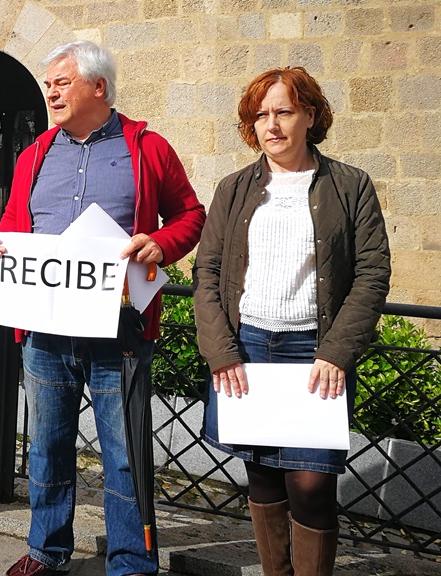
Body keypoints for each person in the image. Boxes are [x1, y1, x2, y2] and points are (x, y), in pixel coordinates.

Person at [0, 41, 205, 576]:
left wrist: (161, 244)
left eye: (61, 81)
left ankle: (130, 562)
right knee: (47, 448)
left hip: (120, 328)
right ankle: (46, 549)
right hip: (44, 330)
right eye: (48, 82)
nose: (50, 90)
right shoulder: (34, 153)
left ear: (97, 87)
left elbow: (191, 215)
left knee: (124, 454)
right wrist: (1, 245)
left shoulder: (147, 148)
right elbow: (15, 223)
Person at [193, 67, 390, 576]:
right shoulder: (235, 188)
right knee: (261, 474)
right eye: (260, 115)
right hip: (249, 348)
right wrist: (221, 351)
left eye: (283, 111)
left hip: (313, 353)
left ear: (309, 115)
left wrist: (336, 351)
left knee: (311, 484)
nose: (271, 125)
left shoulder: (349, 185)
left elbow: (372, 274)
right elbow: (208, 272)